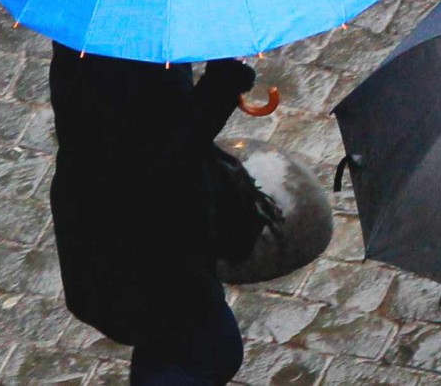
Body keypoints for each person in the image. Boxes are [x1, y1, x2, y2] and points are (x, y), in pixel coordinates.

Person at [48, 43, 278, 385]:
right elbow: (162, 157)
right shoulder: (128, 58)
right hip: (142, 242)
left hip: (110, 231)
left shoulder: (89, 38)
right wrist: (224, 79)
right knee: (204, 349)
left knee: (170, 341)